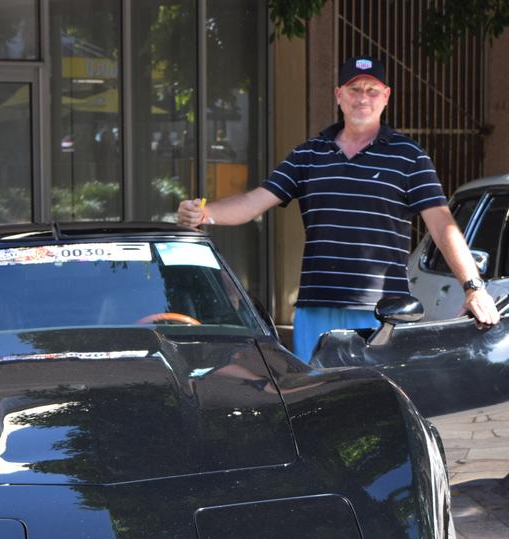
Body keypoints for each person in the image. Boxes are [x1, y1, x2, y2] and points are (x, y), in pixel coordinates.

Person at [177, 56, 500, 362]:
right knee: (315, 404)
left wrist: (473, 288)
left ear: (386, 97)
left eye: (372, 90)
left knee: (377, 405)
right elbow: (253, 202)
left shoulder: (409, 157)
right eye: (354, 89)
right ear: (339, 95)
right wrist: (207, 213)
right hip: (315, 309)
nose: (363, 98)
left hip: (382, 311)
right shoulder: (308, 155)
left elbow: (442, 225)